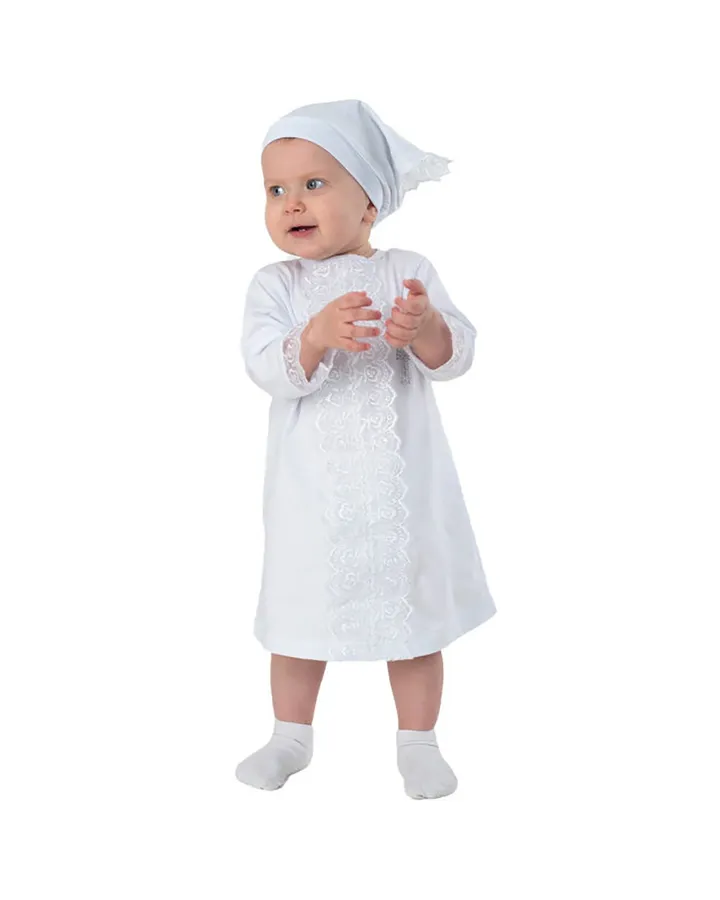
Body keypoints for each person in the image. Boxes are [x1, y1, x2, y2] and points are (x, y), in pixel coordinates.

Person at [236, 99, 497, 799]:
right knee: (298, 615)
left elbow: (456, 356)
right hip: (311, 497)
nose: (291, 201)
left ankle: (419, 742)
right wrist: (314, 336)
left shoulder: (407, 271)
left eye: (314, 183)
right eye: (275, 189)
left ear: (371, 203)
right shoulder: (275, 285)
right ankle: (289, 737)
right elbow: (264, 367)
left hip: (401, 492)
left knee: (415, 617)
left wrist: (425, 327)